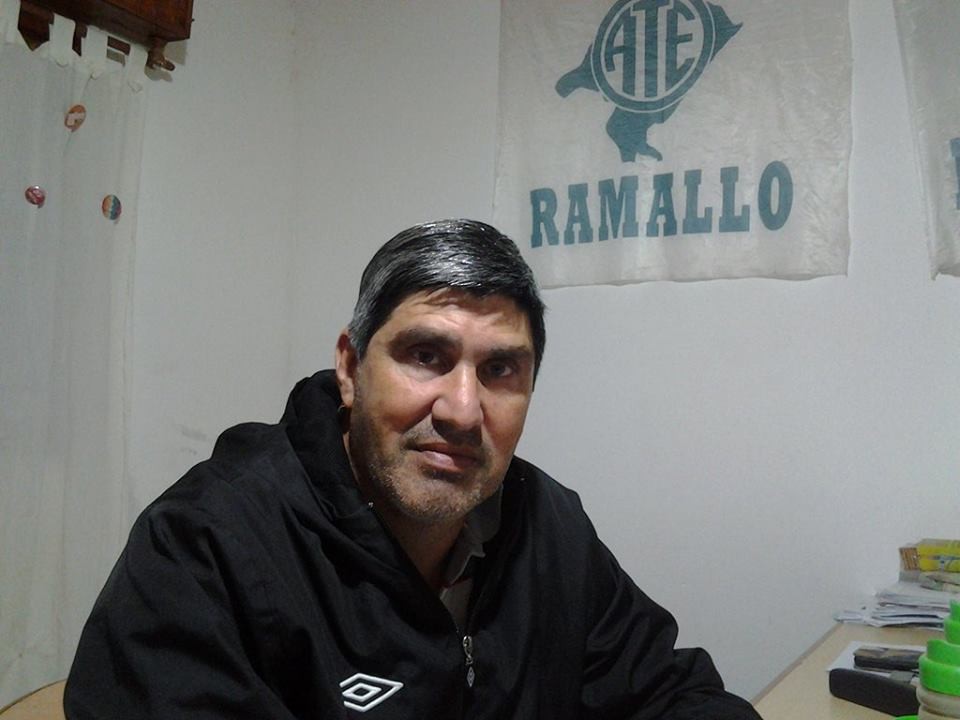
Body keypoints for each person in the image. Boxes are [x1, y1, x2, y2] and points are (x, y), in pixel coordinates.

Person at [65, 219, 761, 719]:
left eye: (501, 370)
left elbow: (670, 694)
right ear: (349, 368)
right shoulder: (205, 546)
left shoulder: (549, 527)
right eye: (426, 356)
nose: (462, 409)